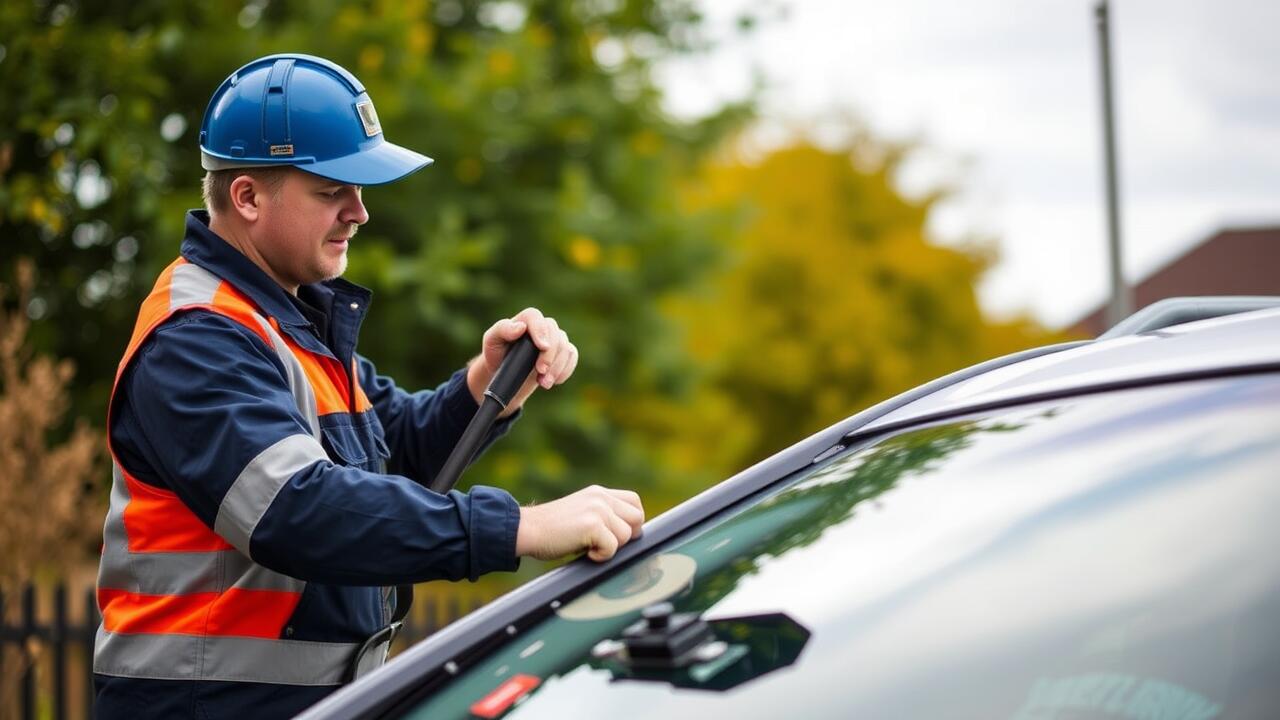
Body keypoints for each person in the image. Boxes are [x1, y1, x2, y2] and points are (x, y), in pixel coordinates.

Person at [92, 53, 645, 719]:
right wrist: (520, 528)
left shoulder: (291, 321)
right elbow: (298, 512)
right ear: (246, 197)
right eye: (333, 191)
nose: (359, 212)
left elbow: (397, 456)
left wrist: (488, 384)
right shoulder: (196, 338)